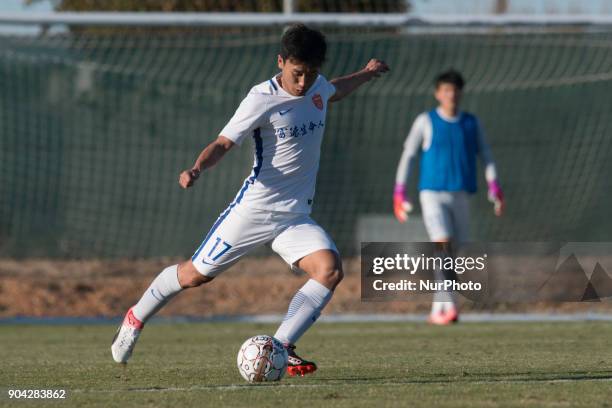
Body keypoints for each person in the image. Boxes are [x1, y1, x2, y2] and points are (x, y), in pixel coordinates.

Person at [111, 23, 389, 376]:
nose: (304, 82)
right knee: (196, 275)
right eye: (297, 73)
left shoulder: (318, 86)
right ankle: (135, 316)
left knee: (330, 270)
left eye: (311, 73)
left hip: (295, 216)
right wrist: (197, 168)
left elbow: (334, 90)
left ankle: (283, 345)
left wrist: (365, 74)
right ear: (281, 61)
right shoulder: (261, 97)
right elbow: (224, 143)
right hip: (255, 209)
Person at [393, 69, 504, 325]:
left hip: (461, 194)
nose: (450, 94)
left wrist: (494, 185)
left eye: (454, 90)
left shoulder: (471, 123)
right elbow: (409, 155)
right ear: (437, 93)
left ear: (461, 93)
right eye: (445, 90)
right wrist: (400, 190)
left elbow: (485, 155)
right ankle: (450, 306)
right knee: (442, 244)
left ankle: (438, 310)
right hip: (432, 193)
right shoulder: (426, 121)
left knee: (454, 252)